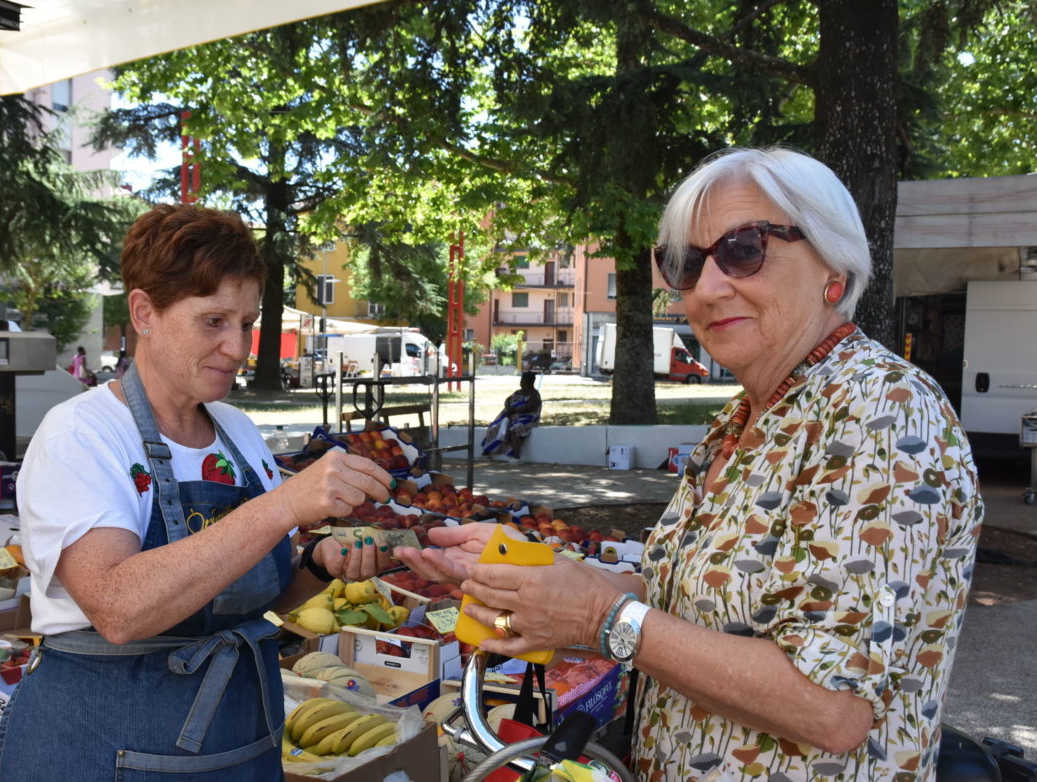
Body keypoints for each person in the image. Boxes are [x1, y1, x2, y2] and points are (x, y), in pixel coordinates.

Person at [398, 147, 983, 780]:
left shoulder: (884, 410)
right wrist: (531, 578)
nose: (705, 288)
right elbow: (685, 607)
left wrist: (598, 617)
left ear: (833, 269)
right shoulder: (744, 417)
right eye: (685, 263)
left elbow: (831, 708)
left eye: (744, 249)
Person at [0, 204, 394, 780]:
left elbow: (242, 600)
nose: (238, 347)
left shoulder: (237, 433)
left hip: (240, 741)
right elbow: (118, 608)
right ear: (144, 313)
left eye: (247, 323)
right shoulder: (81, 434)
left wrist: (316, 565)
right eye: (213, 321)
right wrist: (282, 505)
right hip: (102, 748)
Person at [480, 371, 542, 460]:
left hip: (526, 419)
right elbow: (507, 400)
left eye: (522, 380)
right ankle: (487, 452)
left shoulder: (534, 395)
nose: (521, 382)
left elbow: (529, 408)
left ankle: (516, 457)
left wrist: (514, 411)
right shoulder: (518, 392)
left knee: (514, 429)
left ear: (528, 382)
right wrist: (508, 408)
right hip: (511, 416)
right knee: (495, 427)